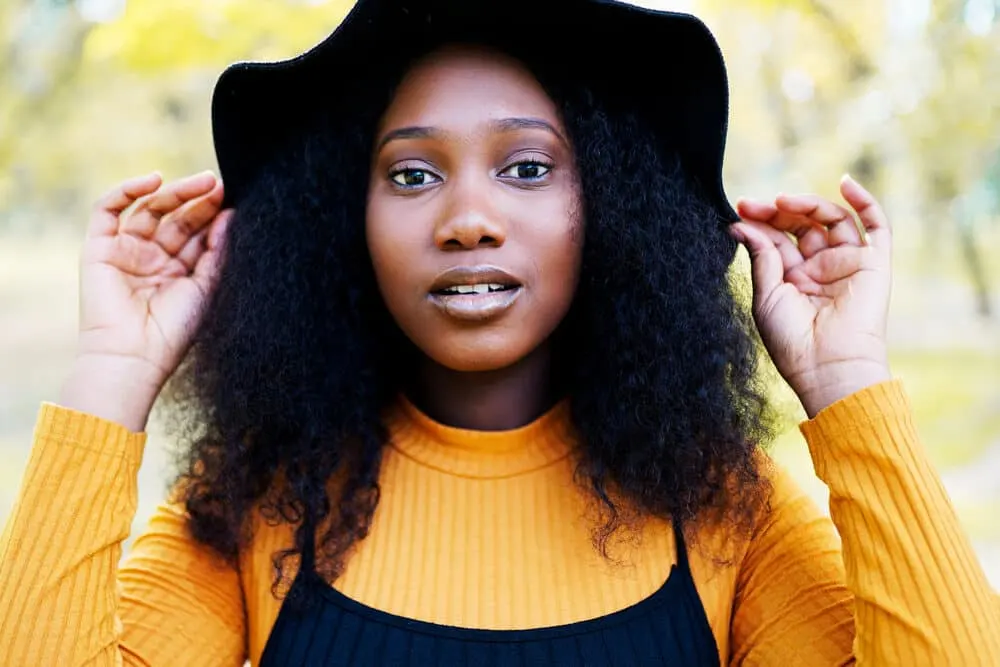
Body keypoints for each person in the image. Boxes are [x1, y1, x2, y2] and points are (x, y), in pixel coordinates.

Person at [1, 1, 997, 665]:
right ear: (344, 222)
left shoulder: (725, 509)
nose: (466, 218)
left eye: (525, 168)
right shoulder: (254, 507)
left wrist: (848, 383)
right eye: (411, 173)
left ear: (609, 205)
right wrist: (110, 375)